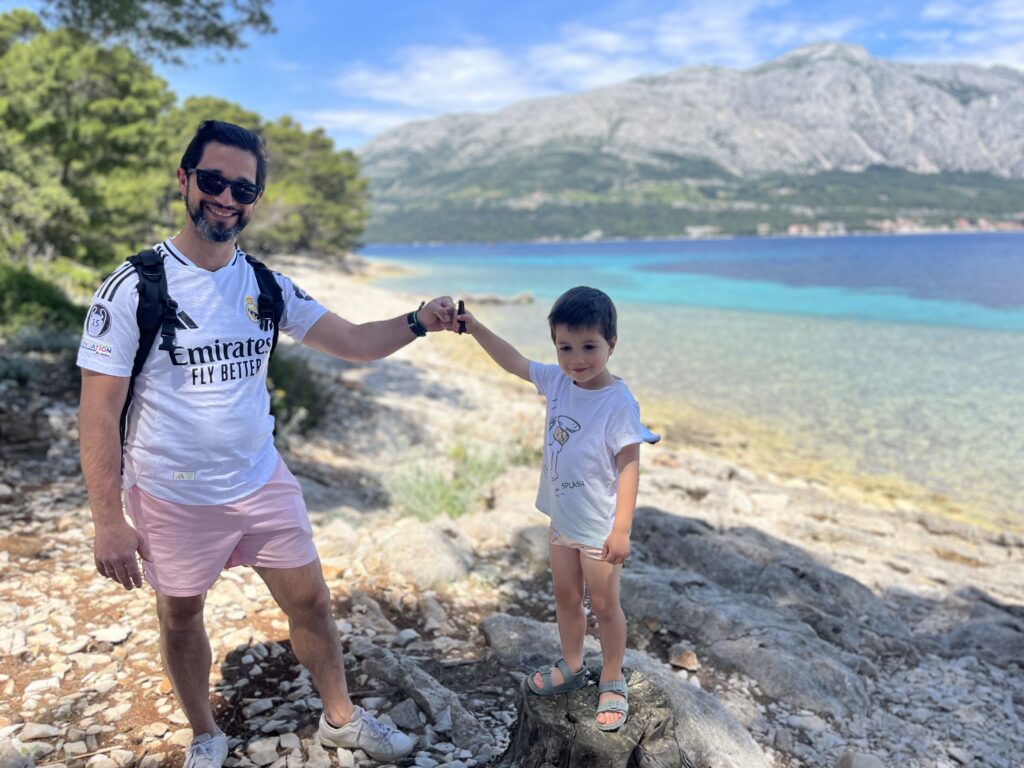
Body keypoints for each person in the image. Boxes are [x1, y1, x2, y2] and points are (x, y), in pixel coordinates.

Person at [77, 120, 454, 767]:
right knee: (180, 615)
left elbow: (354, 341)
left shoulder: (266, 285)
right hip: (171, 493)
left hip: (260, 479)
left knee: (311, 600)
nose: (226, 198)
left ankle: (341, 718)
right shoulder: (134, 287)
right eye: (213, 181)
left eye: (243, 189)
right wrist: (108, 520)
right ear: (184, 180)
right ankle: (205, 734)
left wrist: (419, 320)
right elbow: (98, 410)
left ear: (256, 198)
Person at [452, 286, 658, 731]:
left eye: (589, 347)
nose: (576, 359)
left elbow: (629, 466)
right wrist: (476, 328)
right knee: (565, 596)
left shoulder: (618, 402)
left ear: (611, 344)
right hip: (562, 519)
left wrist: (621, 529)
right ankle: (572, 664)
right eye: (565, 347)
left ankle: (612, 677)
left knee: (604, 604)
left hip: (598, 526)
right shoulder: (558, 382)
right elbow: (513, 361)